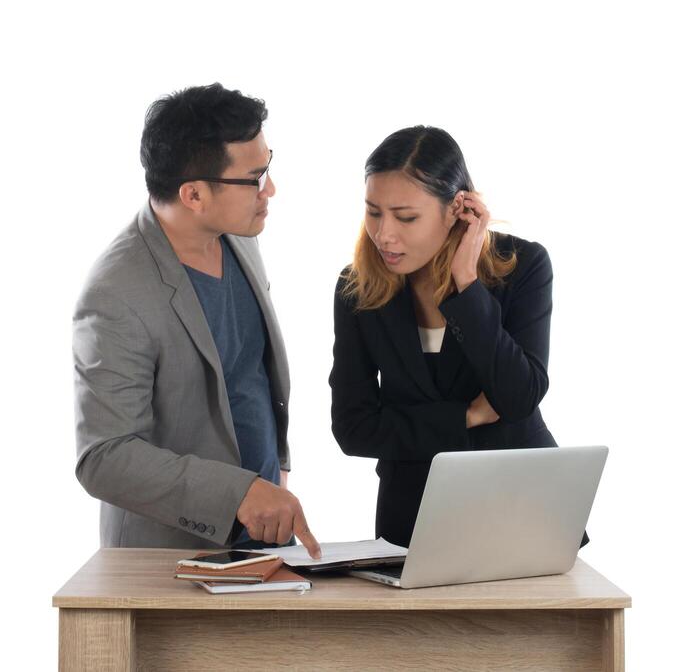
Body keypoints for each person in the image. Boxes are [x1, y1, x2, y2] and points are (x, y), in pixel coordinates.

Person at [73, 83, 320, 557]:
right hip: (172, 556)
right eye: (255, 177)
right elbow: (103, 457)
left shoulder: (238, 236)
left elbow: (246, 373)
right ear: (193, 195)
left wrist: (274, 468)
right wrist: (238, 493)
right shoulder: (115, 292)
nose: (270, 190)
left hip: (264, 542)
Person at [329, 125, 587, 550]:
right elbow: (353, 428)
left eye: (405, 217)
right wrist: (464, 417)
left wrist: (466, 285)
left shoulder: (523, 267)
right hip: (411, 513)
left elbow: (519, 396)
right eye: (373, 212)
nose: (384, 234)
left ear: (457, 210)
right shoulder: (357, 288)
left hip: (525, 505)